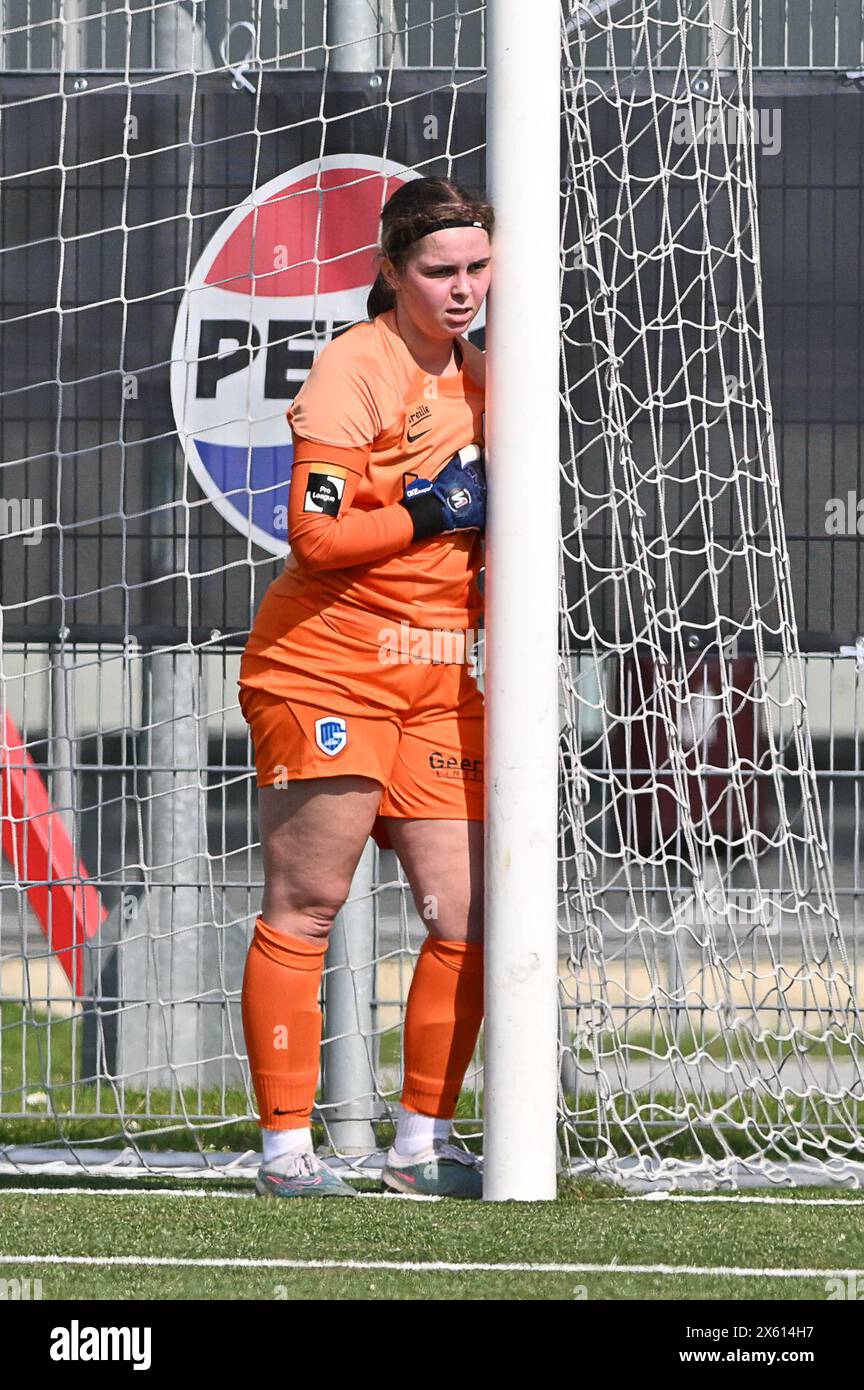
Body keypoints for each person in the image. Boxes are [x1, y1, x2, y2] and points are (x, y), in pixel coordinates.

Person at [237, 174, 493, 1199]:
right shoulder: (355, 367)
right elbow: (318, 534)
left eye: (479, 266)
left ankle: (417, 1148)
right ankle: (286, 1152)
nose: (464, 287)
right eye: (440, 270)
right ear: (390, 274)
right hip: (328, 667)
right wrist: (432, 512)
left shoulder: (496, 372)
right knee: (310, 901)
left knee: (468, 913)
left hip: (437, 678)